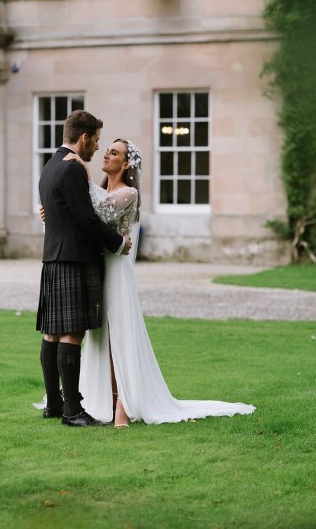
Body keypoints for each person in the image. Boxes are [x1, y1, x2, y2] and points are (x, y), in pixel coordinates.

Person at [53, 138, 256, 426]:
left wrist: (82, 171)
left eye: (114, 152)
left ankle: (124, 401)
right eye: (107, 149)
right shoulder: (100, 189)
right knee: (101, 338)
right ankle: (105, 399)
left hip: (116, 272)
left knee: (120, 335)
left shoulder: (129, 193)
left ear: (126, 164)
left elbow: (104, 210)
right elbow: (84, 215)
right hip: (98, 269)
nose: (106, 154)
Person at [36, 110, 132, 428]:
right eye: (96, 141)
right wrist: (118, 242)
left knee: (52, 332)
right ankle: (72, 411)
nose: (96, 148)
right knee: (72, 332)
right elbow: (86, 219)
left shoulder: (49, 166)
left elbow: (60, 212)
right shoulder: (73, 169)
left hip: (53, 255)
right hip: (75, 257)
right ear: (84, 138)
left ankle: (53, 402)